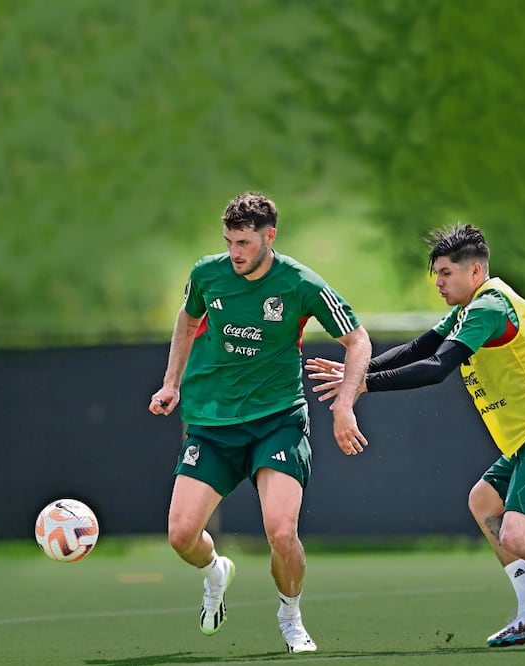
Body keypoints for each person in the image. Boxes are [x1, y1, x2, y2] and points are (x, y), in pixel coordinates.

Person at [306, 223, 525, 650]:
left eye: (446, 273)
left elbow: (436, 368)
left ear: (475, 272)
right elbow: (419, 348)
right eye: (436, 274)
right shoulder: (471, 307)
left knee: (516, 536)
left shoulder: (488, 307)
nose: (438, 282)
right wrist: (359, 371)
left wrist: (364, 385)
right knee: (484, 501)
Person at [149, 192, 371, 654]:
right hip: (212, 423)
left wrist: (345, 404)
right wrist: (170, 383)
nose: (235, 252)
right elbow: (187, 322)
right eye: (229, 241)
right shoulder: (207, 273)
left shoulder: (300, 283)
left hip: (277, 421)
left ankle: (290, 617)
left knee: (281, 532)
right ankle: (216, 573)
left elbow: (358, 341)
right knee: (180, 536)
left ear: (270, 237)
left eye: (245, 242)